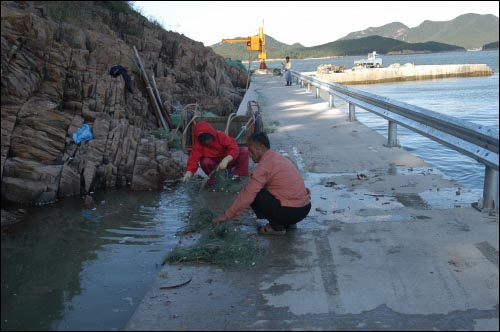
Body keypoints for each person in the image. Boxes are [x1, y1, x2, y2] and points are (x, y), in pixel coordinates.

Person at [211, 132, 311, 235]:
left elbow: (247, 195)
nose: (249, 154)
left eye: (251, 150)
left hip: (291, 211)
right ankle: (289, 223)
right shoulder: (278, 157)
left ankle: (276, 227)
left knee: (255, 194)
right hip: (304, 208)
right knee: (266, 191)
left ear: (260, 147)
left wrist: (226, 215)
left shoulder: (264, 166)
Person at [182, 121, 249, 186]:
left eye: (208, 139)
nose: (207, 142)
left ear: (211, 134)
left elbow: (233, 147)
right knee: (205, 162)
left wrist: (227, 159)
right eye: (204, 140)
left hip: (229, 161)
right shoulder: (198, 145)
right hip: (215, 166)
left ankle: (240, 176)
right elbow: (193, 160)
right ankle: (214, 180)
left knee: (245, 150)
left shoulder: (220, 136)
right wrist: (189, 172)